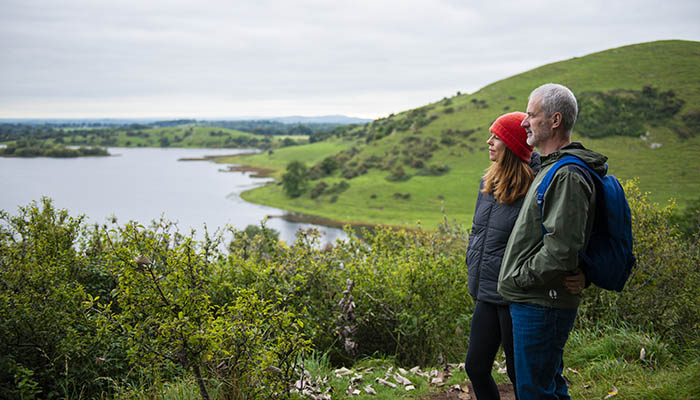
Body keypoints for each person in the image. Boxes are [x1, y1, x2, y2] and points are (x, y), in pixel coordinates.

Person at [498, 83, 606, 399]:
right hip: (538, 298)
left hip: (541, 301)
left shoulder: (567, 175)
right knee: (548, 386)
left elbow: (561, 250)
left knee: (534, 391)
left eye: (531, 115)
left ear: (554, 120)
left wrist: (519, 278)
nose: (524, 122)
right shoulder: (551, 167)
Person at [464, 111, 539, 399]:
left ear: (512, 144)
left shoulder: (532, 186)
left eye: (496, 137)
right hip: (486, 290)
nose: (489, 141)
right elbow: (478, 231)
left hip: (514, 295)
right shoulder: (488, 181)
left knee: (518, 372)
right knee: (475, 367)